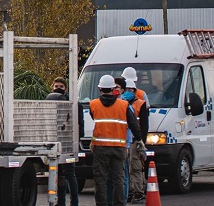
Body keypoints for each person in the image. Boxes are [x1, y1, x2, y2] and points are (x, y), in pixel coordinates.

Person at [89, 74, 141, 206]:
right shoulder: (123, 105)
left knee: (100, 178)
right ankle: (119, 203)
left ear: (100, 88)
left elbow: (94, 118)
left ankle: (102, 204)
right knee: (118, 178)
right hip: (119, 148)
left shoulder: (93, 104)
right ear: (113, 89)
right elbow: (133, 124)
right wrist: (139, 139)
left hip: (100, 148)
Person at [47, 77, 79, 206]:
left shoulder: (72, 103)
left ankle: (74, 202)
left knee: (70, 174)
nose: (58, 88)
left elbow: (78, 122)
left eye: (61, 86)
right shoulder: (49, 103)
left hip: (69, 144)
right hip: (55, 143)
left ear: (66, 89)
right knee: (59, 174)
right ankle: (61, 202)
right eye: (56, 86)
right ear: (52, 88)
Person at [122, 68, 150, 203]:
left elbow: (144, 124)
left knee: (135, 166)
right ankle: (129, 191)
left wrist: (141, 141)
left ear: (134, 90)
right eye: (125, 89)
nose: (127, 92)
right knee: (125, 167)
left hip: (134, 139)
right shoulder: (120, 104)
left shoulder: (140, 103)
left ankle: (137, 192)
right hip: (123, 139)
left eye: (130, 90)